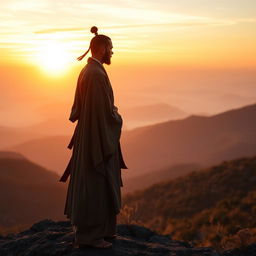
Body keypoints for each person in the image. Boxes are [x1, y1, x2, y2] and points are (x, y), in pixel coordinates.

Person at [59, 26, 128, 249]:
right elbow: (102, 114)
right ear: (101, 49)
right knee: (96, 182)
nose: (112, 53)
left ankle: (103, 230)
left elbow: (82, 109)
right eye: (111, 48)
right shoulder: (96, 75)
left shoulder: (88, 71)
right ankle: (91, 236)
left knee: (93, 181)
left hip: (88, 134)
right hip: (95, 138)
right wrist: (116, 117)